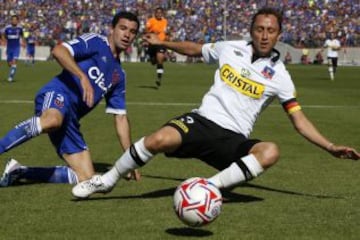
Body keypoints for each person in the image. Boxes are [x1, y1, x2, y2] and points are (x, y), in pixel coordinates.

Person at [72, 8, 359, 199]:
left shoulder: (281, 76)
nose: (264, 35)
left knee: (270, 151)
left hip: (232, 140)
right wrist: (163, 44)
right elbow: (196, 50)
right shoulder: (229, 48)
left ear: (278, 35)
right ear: (251, 30)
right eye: (259, 29)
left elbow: (299, 120)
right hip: (200, 122)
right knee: (158, 138)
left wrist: (331, 147)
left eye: (270, 31)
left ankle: (209, 187)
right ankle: (107, 181)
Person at [0, 11, 141, 187]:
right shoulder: (96, 42)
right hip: (58, 93)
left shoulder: (118, 75)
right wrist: (82, 76)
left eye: (132, 31)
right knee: (52, 120)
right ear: (112, 29)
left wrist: (131, 158)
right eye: (123, 28)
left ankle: (19, 172)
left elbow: (120, 118)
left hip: (71, 120)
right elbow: (59, 51)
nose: (127, 34)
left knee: (85, 177)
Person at [145, 7, 168, 87]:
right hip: (152, 43)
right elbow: (146, 30)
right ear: (155, 13)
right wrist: (151, 32)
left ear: (162, 13)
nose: (159, 14)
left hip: (161, 43)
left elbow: (164, 31)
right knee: (153, 62)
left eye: (160, 13)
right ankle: (154, 59)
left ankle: (159, 78)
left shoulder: (165, 21)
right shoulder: (151, 20)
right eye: (157, 12)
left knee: (160, 59)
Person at [1, 15, 24, 82]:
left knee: (14, 61)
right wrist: (3, 41)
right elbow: (3, 35)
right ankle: (13, 68)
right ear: (11, 20)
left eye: (15, 19)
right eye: (13, 19)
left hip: (16, 47)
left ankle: (10, 77)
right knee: (9, 63)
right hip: (9, 48)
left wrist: (23, 42)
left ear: (17, 21)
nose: (14, 21)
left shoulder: (20, 28)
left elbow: (22, 35)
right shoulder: (7, 28)